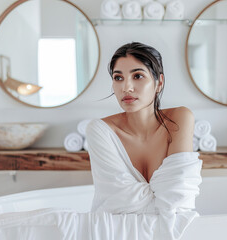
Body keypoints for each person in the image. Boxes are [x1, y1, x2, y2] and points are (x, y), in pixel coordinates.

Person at [86, 42, 202, 239]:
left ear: (159, 82)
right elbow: (119, 201)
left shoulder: (180, 119)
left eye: (137, 76)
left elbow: (181, 200)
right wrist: (162, 199)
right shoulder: (100, 130)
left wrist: (146, 200)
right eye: (118, 77)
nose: (126, 87)